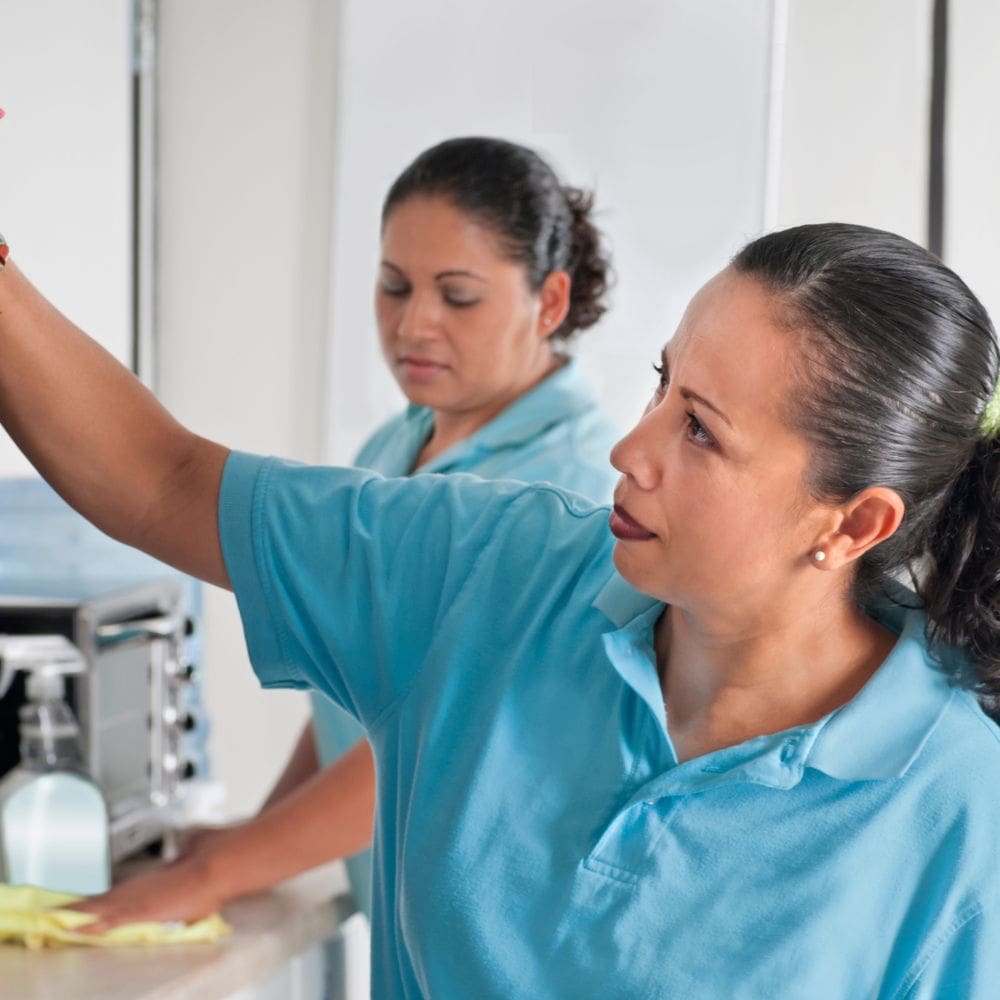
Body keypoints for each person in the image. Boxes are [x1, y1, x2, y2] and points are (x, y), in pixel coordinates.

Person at [0, 220, 998, 997]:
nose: (630, 449)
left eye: (698, 430)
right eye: (662, 384)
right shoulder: (491, 574)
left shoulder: (957, 813)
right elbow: (160, 479)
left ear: (853, 522)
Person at [76, 136, 623, 925]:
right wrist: (250, 839)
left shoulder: (571, 486)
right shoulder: (397, 445)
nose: (414, 324)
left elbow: (439, 741)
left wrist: (216, 876)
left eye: (457, 296)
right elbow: (362, 687)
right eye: (394, 286)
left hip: (518, 932)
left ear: (550, 303)